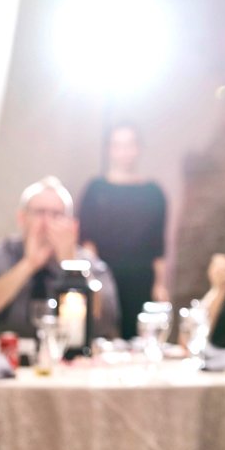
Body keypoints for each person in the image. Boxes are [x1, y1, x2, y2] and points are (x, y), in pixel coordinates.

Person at [0, 176, 121, 340]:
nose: (47, 222)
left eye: (56, 214)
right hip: (4, 359)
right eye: (39, 213)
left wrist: (72, 265)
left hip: (70, 361)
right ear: (22, 218)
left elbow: (106, 321)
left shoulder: (90, 266)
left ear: (71, 224)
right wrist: (29, 264)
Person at [76, 122, 169, 339]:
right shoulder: (95, 190)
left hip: (140, 279)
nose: (124, 152)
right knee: (102, 335)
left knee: (136, 339)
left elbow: (158, 245)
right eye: (118, 145)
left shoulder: (153, 193)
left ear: (138, 149)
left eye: (129, 145)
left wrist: (160, 286)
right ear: (110, 150)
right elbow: (87, 241)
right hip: (104, 276)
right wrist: (93, 279)